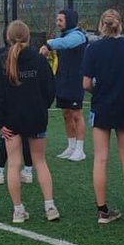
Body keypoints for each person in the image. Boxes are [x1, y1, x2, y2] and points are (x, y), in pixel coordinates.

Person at [0, 20, 58, 223]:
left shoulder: (1, 60)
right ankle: (50, 207)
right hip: (35, 117)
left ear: (7, 38)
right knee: (40, 162)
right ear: (29, 37)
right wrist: (40, 107)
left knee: (13, 164)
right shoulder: (38, 60)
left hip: (11, 119)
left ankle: (18, 210)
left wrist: (0, 121)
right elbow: (49, 90)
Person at [82, 9, 124, 224]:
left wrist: (99, 92)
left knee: (101, 158)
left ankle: (102, 211)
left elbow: (86, 84)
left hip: (102, 107)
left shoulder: (93, 49)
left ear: (101, 25)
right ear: (120, 24)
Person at [41, 8, 88, 161]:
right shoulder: (64, 36)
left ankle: (80, 150)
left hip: (75, 81)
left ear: (70, 21)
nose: (58, 23)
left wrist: (48, 45)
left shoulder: (78, 36)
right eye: (58, 20)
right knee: (66, 114)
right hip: (63, 81)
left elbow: (66, 43)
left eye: (61, 20)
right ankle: (71, 146)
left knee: (76, 114)